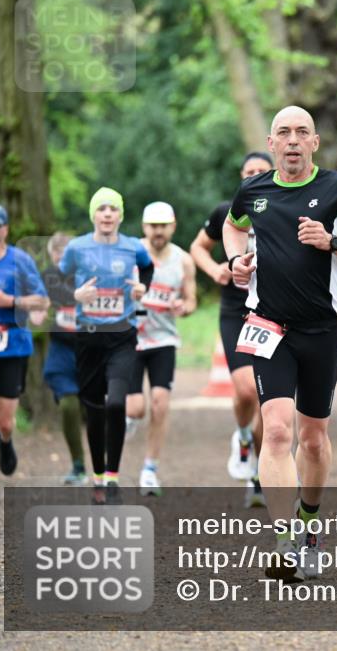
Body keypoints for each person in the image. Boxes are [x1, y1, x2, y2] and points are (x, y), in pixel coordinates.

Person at [224, 106, 337, 580]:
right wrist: (236, 261)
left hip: (321, 329)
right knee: (276, 431)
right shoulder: (253, 191)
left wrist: (332, 243)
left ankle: (310, 526)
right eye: (284, 133)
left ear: (314, 142)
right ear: (271, 144)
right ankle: (283, 541)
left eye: (302, 132)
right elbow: (233, 226)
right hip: (269, 326)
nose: (292, 140)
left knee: (312, 440)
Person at [60, 188, 153, 504]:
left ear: (121, 215)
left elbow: (147, 268)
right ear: (94, 215)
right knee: (94, 409)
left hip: (122, 337)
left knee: (115, 403)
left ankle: (112, 477)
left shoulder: (133, 247)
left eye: (113, 208)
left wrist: (143, 288)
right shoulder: (76, 247)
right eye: (102, 208)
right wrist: (75, 295)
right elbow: (57, 283)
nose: (108, 214)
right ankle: (98, 477)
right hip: (88, 338)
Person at [190, 152, 272, 507]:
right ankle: (242, 436)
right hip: (236, 312)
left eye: (261, 171)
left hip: (272, 311)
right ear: (241, 176)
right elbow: (198, 247)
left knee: (270, 399)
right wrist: (215, 270)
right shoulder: (227, 212)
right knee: (247, 391)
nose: (254, 175)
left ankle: (259, 476)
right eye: (249, 171)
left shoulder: (283, 211)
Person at [125, 202, 196, 496]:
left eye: (163, 226)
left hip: (163, 341)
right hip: (131, 339)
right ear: (144, 227)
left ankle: (150, 469)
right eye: (153, 226)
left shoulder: (184, 261)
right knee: (136, 408)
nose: (158, 232)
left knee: (160, 403)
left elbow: (191, 301)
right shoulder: (130, 254)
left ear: (172, 227)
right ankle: (126, 418)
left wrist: (183, 306)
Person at [0, 204, 50, 503]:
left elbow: (41, 301)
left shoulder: (19, 261)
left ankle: (5, 439)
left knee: (5, 421)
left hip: (12, 346)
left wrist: (9, 300)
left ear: (5, 230)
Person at [35, 232, 87, 485]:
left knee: (101, 408)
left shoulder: (90, 275)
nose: (61, 261)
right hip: (62, 351)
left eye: (65, 255)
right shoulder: (47, 278)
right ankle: (78, 465)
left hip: (91, 351)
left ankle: (107, 466)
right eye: (56, 257)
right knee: (68, 405)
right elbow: (38, 308)